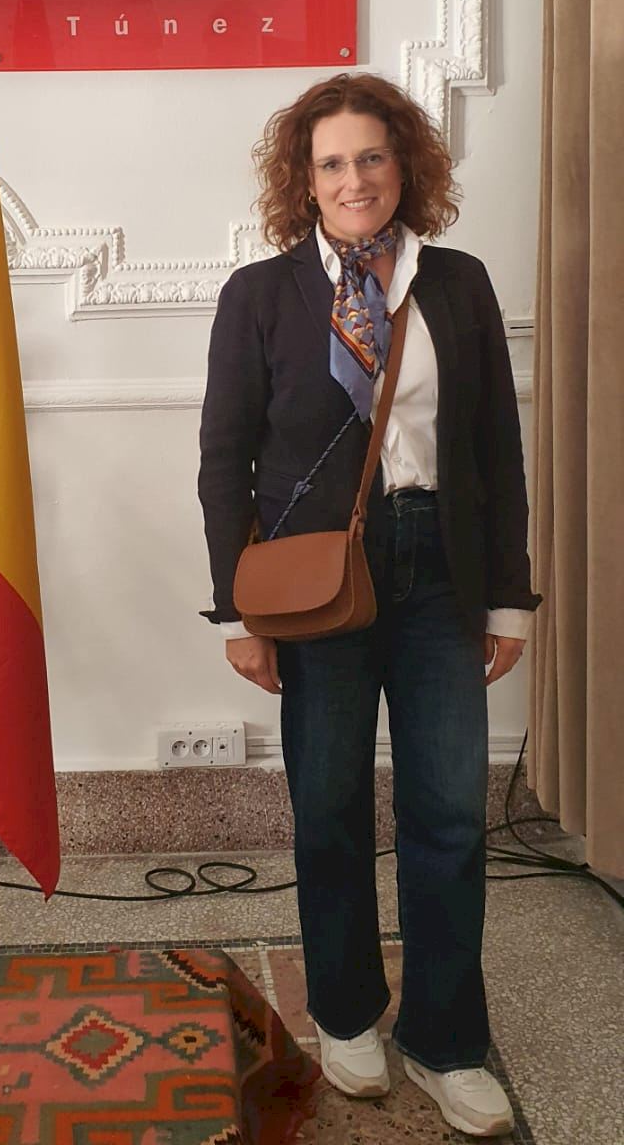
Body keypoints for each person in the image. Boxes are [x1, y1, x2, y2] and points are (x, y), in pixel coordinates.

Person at [198, 75, 540, 1138]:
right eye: (333, 162)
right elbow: (223, 462)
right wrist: (237, 614)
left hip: (441, 566)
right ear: (304, 181)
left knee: (449, 812)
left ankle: (445, 1039)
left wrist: (510, 599)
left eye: (373, 157)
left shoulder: (458, 283)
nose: (355, 179)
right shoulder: (261, 295)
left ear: (406, 166)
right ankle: (346, 1016)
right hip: (317, 583)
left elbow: (496, 449)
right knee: (330, 804)